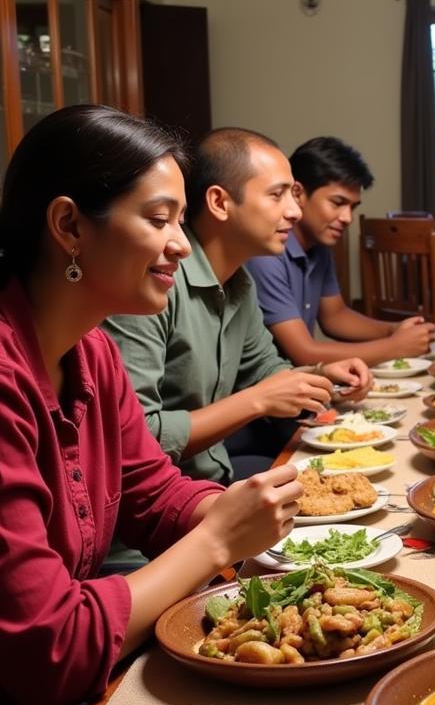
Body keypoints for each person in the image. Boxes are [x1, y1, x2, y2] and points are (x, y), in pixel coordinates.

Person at [0, 106, 303, 705]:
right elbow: (53, 650)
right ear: (70, 226)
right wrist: (219, 538)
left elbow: (151, 493)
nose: (178, 245)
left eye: (180, 221)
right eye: (159, 219)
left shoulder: (93, 352)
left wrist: (246, 517)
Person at [104, 127, 371, 484]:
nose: (294, 211)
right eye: (277, 196)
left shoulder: (239, 282)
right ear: (219, 202)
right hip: (160, 500)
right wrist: (258, 401)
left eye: (292, 195)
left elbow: (263, 367)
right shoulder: (153, 283)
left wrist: (322, 375)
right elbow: (134, 438)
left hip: (214, 474)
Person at [247, 136, 435, 366]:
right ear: (298, 194)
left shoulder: (319, 245)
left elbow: (334, 316)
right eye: (337, 203)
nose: (347, 218)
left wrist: (393, 330)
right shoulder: (266, 254)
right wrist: (394, 347)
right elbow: (303, 352)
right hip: (273, 386)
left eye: (353, 207)